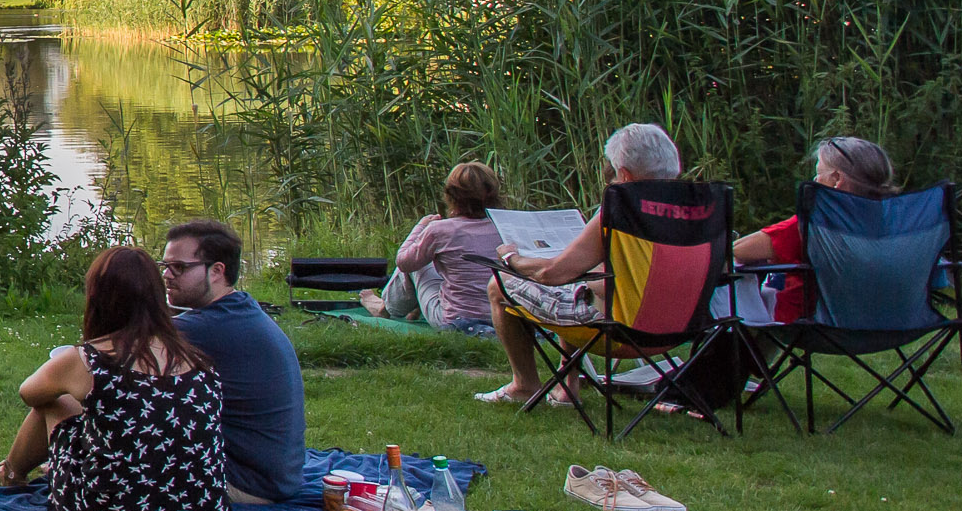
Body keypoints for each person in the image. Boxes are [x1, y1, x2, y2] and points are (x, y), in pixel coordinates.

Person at [0, 246, 229, 511]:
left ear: (98, 298)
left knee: (54, 402)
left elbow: (30, 393)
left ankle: (11, 473)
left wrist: (70, 377)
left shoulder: (90, 359)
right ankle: (15, 471)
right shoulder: (198, 361)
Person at [484, 122, 685, 407]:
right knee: (582, 285)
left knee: (499, 285)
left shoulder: (622, 210)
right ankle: (566, 387)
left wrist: (511, 259)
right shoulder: (699, 208)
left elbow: (551, 273)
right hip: (680, 329)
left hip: (621, 331)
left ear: (625, 174)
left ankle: (524, 385)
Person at [158, 219, 306, 503]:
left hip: (247, 484)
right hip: (276, 475)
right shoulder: (240, 309)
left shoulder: (202, 328)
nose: (166, 275)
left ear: (216, 271)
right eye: (164, 265)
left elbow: (96, 360)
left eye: (179, 267)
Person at [734, 135, 900, 322]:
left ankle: (731, 337)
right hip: (889, 324)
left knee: (726, 265)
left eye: (818, 173)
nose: (814, 179)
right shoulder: (898, 224)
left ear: (836, 179)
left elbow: (736, 251)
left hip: (812, 325)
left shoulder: (814, 225)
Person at [361, 163, 506, 333]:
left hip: (456, 320)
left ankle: (383, 309)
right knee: (435, 260)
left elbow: (403, 262)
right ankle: (413, 306)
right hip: (502, 315)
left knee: (416, 262)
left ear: (451, 195)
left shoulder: (439, 229)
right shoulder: (506, 227)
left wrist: (421, 227)